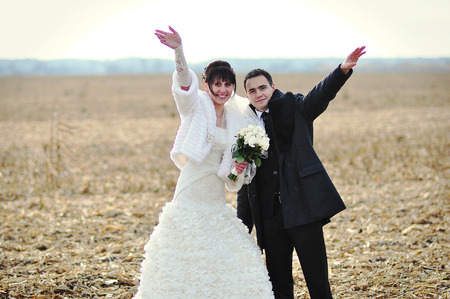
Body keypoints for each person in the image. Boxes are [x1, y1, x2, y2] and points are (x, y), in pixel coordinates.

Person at [133, 26, 274, 298]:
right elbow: (184, 84)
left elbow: (231, 171)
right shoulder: (195, 104)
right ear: (207, 84)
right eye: (216, 84)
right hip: (192, 186)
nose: (222, 90)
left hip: (215, 194)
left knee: (224, 248)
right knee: (187, 245)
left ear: (233, 87)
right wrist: (178, 50)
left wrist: (238, 168)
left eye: (227, 84)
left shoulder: (237, 114)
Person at [236, 47, 366, 299]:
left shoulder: (294, 107)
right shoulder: (245, 126)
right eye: (251, 90)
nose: (258, 93)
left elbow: (319, 96)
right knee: (279, 287)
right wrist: (244, 226)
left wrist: (342, 71)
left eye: (262, 87)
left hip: (302, 211)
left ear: (273, 87)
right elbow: (246, 179)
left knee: (318, 283)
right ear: (247, 95)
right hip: (270, 218)